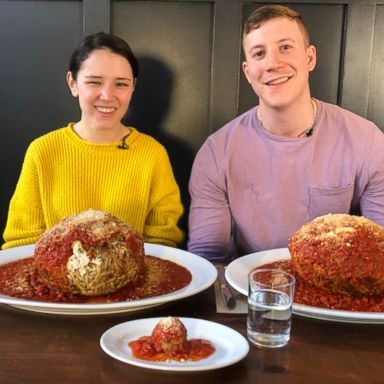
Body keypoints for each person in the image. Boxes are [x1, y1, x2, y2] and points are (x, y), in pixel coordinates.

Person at [188, 4, 384, 262]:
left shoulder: (367, 140)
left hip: (333, 287)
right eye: (259, 53)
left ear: (309, 58)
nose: (272, 63)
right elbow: (209, 259)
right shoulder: (216, 152)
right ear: (248, 72)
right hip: (248, 290)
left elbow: (380, 248)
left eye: (285, 47)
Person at [2, 32, 184, 250]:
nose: (107, 95)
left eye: (121, 84)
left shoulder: (152, 153)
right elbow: (21, 241)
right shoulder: (43, 151)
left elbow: (162, 241)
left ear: (133, 87)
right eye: (94, 82)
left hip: (131, 280)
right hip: (55, 280)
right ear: (73, 83)